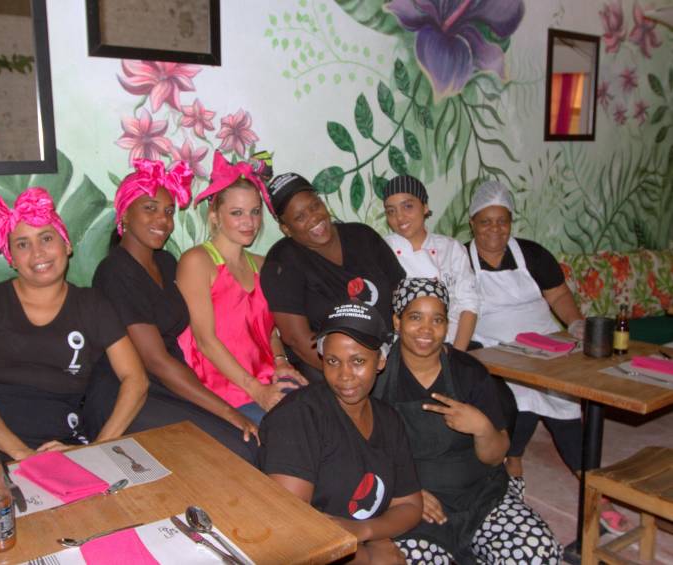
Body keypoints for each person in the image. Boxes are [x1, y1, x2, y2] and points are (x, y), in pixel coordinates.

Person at [0, 188, 148, 475]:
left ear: (67, 245)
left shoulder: (92, 305)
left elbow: (135, 380)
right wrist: (23, 456)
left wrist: (97, 449)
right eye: (22, 244)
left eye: (46, 238)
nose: (37, 253)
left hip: (64, 446)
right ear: (11, 257)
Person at [466, 180, 629, 534]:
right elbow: (461, 312)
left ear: (511, 222)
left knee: (564, 405)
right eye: (485, 221)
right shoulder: (461, 260)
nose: (495, 229)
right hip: (497, 347)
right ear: (472, 223)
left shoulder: (532, 253)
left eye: (502, 221)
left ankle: (596, 494)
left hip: (545, 344)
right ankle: (513, 464)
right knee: (520, 398)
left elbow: (558, 297)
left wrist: (575, 325)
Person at [373, 277, 562, 563]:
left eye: (437, 320)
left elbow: (495, 456)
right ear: (397, 322)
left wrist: (482, 428)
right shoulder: (378, 377)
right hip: (415, 506)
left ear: (446, 325)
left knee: (538, 553)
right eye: (415, 318)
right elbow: (358, 453)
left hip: (481, 498)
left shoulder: (469, 372)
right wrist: (402, 493)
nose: (427, 329)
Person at [89, 158, 259, 464]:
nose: (163, 220)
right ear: (125, 214)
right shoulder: (114, 271)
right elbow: (154, 359)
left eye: (169, 212)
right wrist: (225, 409)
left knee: (246, 442)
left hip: (166, 385)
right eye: (150, 208)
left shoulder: (166, 263)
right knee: (236, 447)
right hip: (126, 393)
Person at [260, 302, 423, 564]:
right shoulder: (299, 417)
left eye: (358, 361)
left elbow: (410, 506)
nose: (344, 375)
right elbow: (293, 523)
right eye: (333, 361)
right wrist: (367, 555)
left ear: (380, 360)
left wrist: (368, 532)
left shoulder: (388, 419)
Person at [177, 152, 306, 424]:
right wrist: (256, 390)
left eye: (255, 212)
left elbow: (268, 330)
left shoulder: (262, 265)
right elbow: (205, 341)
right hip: (222, 393)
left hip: (267, 381)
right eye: (236, 213)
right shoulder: (197, 262)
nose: (249, 222)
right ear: (214, 215)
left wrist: (281, 361)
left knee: (322, 417)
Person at [260, 172, 405, 381]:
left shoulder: (362, 236)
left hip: (390, 354)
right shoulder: (282, 262)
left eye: (315, 206)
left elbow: (400, 293)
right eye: (300, 217)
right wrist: (354, 375)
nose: (314, 218)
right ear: (286, 228)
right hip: (337, 372)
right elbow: (298, 341)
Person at [382, 175, 478, 350]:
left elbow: (468, 304)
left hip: (452, 343)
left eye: (408, 206)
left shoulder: (451, 248)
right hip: (403, 348)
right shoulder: (381, 249)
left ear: (425, 207)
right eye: (391, 211)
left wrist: (457, 355)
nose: (400, 217)